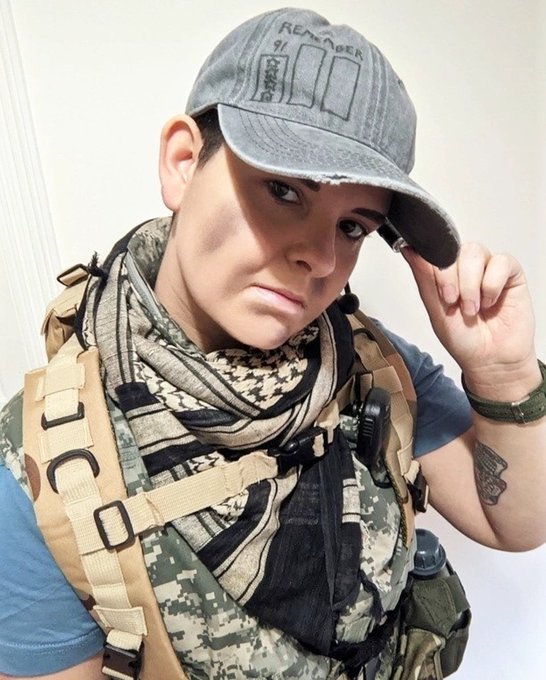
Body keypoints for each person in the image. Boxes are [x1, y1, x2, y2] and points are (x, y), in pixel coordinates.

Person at [0, 6, 544, 680]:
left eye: (352, 226)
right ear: (182, 162)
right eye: (283, 190)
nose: (320, 256)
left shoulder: (366, 363)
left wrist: (501, 373)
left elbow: (515, 522)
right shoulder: (47, 473)